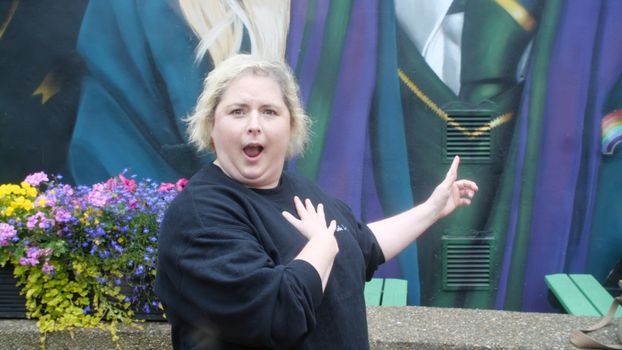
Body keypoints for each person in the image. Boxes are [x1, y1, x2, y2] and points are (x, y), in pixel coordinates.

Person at [154, 54, 478, 350]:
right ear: (212, 125)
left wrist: (432, 209)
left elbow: (361, 246)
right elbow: (278, 314)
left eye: (269, 111)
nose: (254, 124)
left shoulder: (302, 192)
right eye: (238, 111)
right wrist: (322, 244)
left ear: (291, 125)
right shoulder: (201, 214)